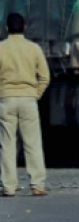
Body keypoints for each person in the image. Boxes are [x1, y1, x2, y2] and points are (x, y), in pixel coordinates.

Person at [0, 12, 50, 197]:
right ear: (25, 28)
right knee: (33, 143)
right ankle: (37, 184)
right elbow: (45, 77)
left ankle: (9, 186)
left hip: (6, 100)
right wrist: (34, 95)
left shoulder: (1, 48)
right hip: (28, 100)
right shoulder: (34, 49)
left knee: (7, 143)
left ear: (6, 28)